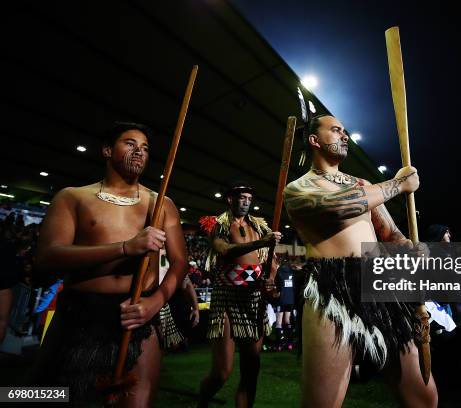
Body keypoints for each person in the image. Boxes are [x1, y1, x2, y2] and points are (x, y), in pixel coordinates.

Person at [283, 114, 438, 407]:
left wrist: (411, 248)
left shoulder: (362, 184)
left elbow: (392, 237)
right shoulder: (298, 189)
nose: (344, 136)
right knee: (322, 403)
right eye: (336, 130)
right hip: (331, 291)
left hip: (379, 285)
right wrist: (397, 184)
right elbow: (340, 206)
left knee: (424, 398)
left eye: (345, 131)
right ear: (314, 140)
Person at [32, 122, 188, 406]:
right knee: (52, 396)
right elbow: (47, 257)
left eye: (144, 148)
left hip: (138, 313)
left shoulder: (161, 203)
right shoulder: (73, 197)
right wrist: (126, 248)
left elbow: (180, 263)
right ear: (106, 150)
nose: (139, 151)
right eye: (130, 144)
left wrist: (155, 303)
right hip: (81, 312)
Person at [198, 181, 281, 408]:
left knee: (251, 370)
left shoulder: (260, 226)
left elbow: (270, 259)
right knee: (222, 372)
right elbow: (223, 249)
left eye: (248, 198)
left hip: (253, 299)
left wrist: (271, 280)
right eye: (241, 197)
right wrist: (260, 243)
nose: (246, 202)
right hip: (226, 296)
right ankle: (202, 402)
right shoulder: (219, 225)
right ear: (230, 200)